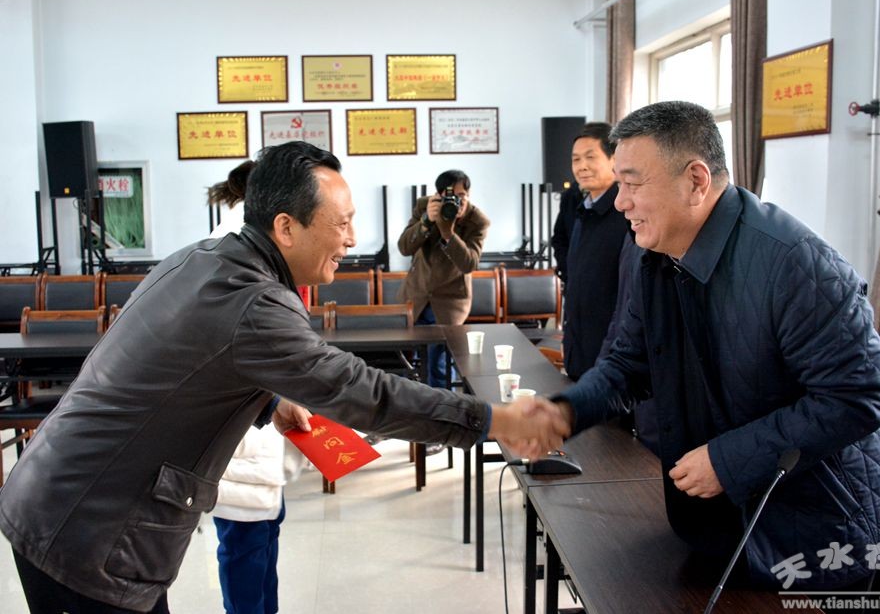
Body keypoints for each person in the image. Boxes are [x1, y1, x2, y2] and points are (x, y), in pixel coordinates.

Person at [0, 142, 568, 613]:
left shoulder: (204, 257)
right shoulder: (255, 302)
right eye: (341, 224)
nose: (352, 240)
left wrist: (271, 401)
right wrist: (492, 419)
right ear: (285, 227)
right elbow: (359, 391)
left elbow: (195, 360)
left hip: (63, 497)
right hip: (89, 530)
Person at [540, 102, 880, 599]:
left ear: (696, 181)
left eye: (632, 184)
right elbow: (629, 363)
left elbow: (858, 398)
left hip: (834, 520)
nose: (620, 203)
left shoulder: (795, 263)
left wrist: (727, 460)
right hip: (732, 516)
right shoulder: (649, 250)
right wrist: (564, 413)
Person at [207, 169, 306, 614]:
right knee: (245, 548)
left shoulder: (259, 245)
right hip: (242, 430)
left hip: (262, 427)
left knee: (262, 541)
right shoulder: (232, 250)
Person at [395, 169, 491, 453]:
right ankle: (405, 422)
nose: (456, 201)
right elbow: (404, 247)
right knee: (406, 363)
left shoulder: (477, 221)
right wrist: (427, 221)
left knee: (438, 364)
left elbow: (469, 263)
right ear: (438, 195)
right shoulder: (424, 207)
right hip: (416, 297)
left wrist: (448, 233)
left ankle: (440, 430)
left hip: (449, 303)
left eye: (462, 195)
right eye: (450, 195)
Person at [559, 122, 629, 380]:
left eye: (590, 157)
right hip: (579, 344)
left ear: (614, 160)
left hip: (611, 351)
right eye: (576, 159)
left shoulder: (626, 214)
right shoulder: (583, 209)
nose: (582, 166)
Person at [550, 181, 583, 283]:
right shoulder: (570, 196)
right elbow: (559, 238)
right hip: (573, 280)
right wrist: (567, 268)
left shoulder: (618, 200)